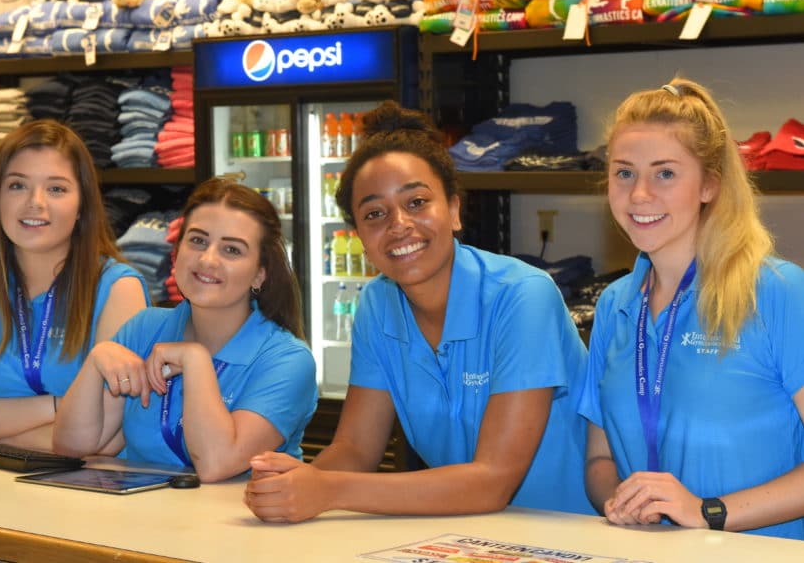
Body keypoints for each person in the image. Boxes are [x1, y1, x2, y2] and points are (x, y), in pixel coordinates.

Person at [245, 101, 594, 522]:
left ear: (454, 210)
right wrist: (292, 485)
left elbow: (492, 481)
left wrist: (327, 489)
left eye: (416, 202)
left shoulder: (522, 296)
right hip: (462, 538)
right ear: (359, 236)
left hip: (573, 537)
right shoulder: (377, 304)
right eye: (375, 214)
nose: (398, 224)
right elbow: (356, 449)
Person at [580, 78, 804, 539]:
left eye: (665, 173)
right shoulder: (615, 305)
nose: (639, 194)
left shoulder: (779, 292)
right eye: (624, 172)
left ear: (709, 185)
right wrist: (619, 500)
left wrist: (709, 511)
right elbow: (599, 457)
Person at [53, 178, 318, 482]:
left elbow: (215, 464)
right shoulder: (144, 327)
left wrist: (195, 360)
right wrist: (96, 360)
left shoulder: (288, 360)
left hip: (244, 524)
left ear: (259, 275)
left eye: (232, 250)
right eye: (198, 241)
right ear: (176, 253)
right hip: (144, 520)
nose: (208, 259)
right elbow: (72, 447)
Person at [0, 119, 149, 452]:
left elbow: (104, 441)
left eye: (56, 189)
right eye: (17, 185)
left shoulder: (119, 289)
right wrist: (58, 406)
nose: (35, 202)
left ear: (82, 206)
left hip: (95, 488)